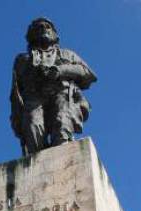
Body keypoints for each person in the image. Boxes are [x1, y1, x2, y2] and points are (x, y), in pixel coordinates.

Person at [10, 17, 97, 155]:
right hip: (34, 98)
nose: (43, 29)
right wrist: (17, 119)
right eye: (38, 27)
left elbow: (88, 74)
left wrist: (61, 70)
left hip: (61, 94)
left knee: (62, 127)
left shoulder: (67, 54)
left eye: (47, 26)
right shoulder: (22, 60)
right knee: (33, 128)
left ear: (55, 35)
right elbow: (15, 92)